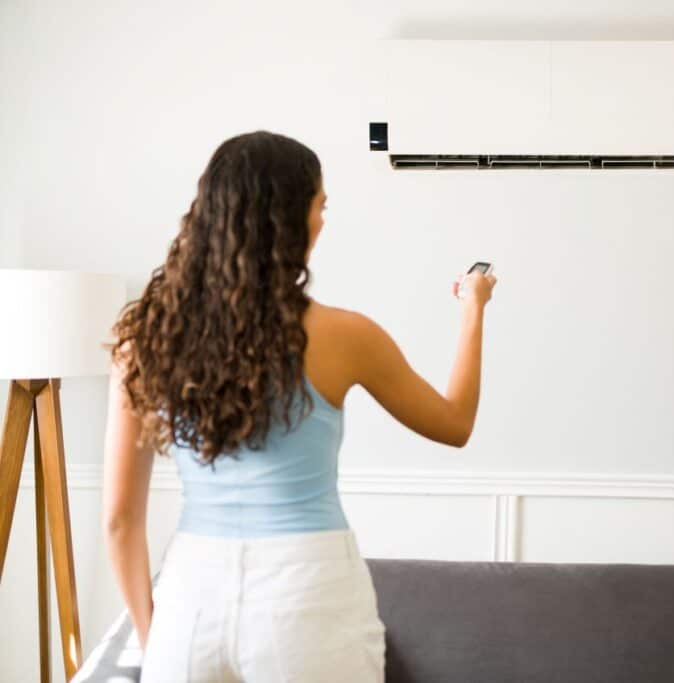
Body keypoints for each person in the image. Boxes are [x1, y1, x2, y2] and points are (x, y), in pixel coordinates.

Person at [101, 130, 497, 682]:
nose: (324, 221)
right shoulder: (345, 335)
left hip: (191, 596)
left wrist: (157, 638)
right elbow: (454, 423)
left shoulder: (143, 339)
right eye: (321, 206)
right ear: (288, 220)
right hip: (308, 592)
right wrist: (473, 309)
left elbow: (120, 520)